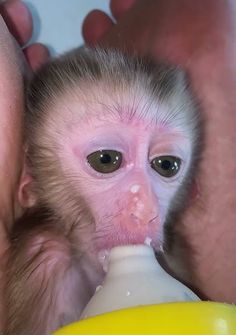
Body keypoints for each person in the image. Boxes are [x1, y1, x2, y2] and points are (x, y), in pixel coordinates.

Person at [0, 0, 235, 303]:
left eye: (166, 165)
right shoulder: (49, 260)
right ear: (31, 182)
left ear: (191, 189)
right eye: (105, 160)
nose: (146, 208)